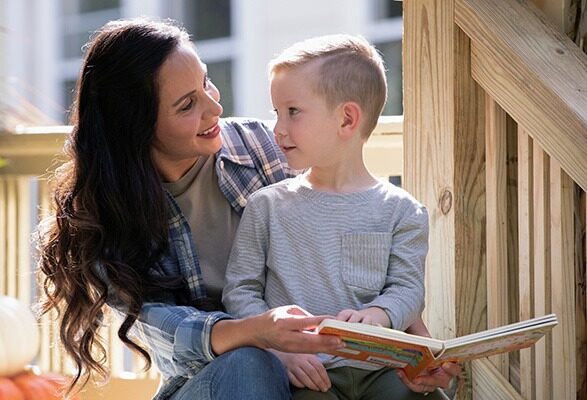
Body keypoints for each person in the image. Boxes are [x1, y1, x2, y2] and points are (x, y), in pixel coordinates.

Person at [36, 18, 458, 400]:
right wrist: (266, 340)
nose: (215, 107)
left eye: (206, 83)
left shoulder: (264, 147)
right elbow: (172, 336)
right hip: (211, 383)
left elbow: (359, 253)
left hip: (311, 366)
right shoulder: (107, 218)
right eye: (187, 105)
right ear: (138, 126)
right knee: (251, 364)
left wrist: (415, 349)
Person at [222, 35, 452, 400]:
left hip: (382, 369)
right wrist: (278, 350)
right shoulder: (265, 206)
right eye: (275, 113)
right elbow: (240, 291)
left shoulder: (403, 211)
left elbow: (407, 288)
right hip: (307, 374)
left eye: (293, 112)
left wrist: (380, 313)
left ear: (347, 119)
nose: (278, 129)